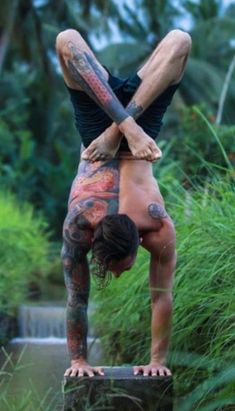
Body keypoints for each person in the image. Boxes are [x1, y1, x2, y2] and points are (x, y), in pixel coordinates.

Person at [56, 27, 191, 378]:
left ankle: (121, 127)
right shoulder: (156, 223)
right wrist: (78, 362)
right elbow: (158, 297)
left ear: (140, 240)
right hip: (139, 126)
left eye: (117, 268)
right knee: (179, 40)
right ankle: (124, 125)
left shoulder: (80, 223)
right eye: (123, 268)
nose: (116, 273)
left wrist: (157, 362)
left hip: (99, 133)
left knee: (66, 38)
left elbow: (79, 301)